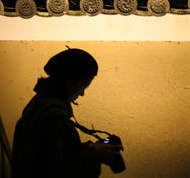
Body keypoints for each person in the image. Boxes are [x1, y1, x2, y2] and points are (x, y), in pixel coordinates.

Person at [11, 48, 123, 178]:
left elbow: (55, 156)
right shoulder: (52, 117)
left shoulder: (40, 105)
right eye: (84, 85)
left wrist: (91, 149)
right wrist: (93, 155)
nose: (82, 93)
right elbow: (52, 172)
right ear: (69, 81)